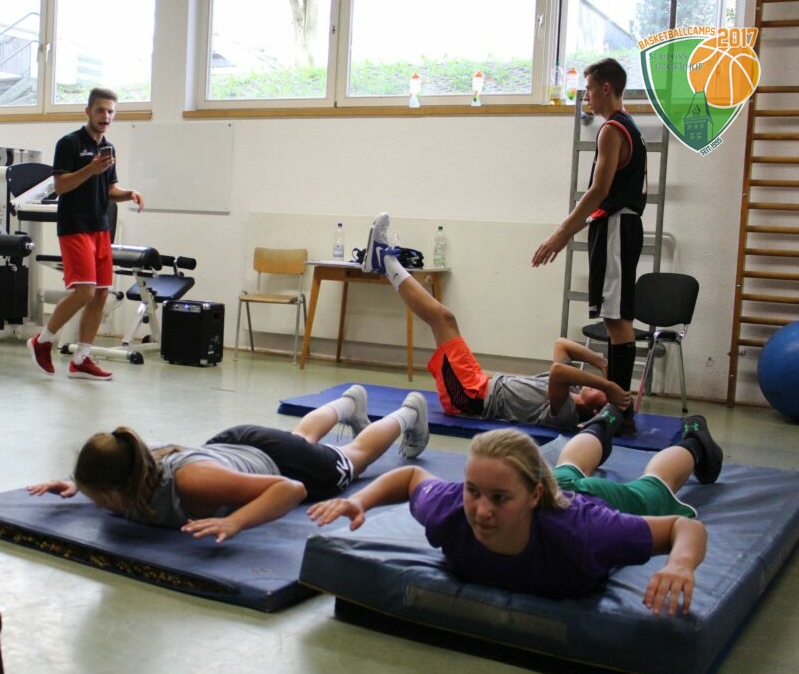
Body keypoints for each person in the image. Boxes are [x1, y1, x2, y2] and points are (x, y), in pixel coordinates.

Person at [308, 408, 723, 614]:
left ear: (533, 496)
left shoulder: (586, 532)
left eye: (499, 499)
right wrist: (359, 500)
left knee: (653, 485)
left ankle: (694, 441)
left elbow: (683, 527)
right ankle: (603, 421)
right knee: (565, 468)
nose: (481, 511)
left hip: (589, 498)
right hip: (548, 483)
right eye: (473, 491)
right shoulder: (453, 510)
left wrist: (680, 564)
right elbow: (411, 477)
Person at [28, 385, 429, 542]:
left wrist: (236, 521)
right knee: (302, 439)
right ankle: (348, 403)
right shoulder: (132, 458)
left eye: (99, 498)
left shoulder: (191, 483)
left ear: (122, 487)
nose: (97, 505)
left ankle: (410, 413)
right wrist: (77, 485)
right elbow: (114, 468)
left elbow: (291, 489)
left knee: (350, 460)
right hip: (233, 448)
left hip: (272, 461)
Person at [361, 212, 630, 431]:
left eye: (605, 396)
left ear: (596, 409)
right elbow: (562, 345)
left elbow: (559, 372)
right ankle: (383, 261)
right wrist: (603, 364)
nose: (602, 386)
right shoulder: (573, 387)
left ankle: (385, 261)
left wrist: (608, 386)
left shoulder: (566, 414)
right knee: (444, 318)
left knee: (443, 319)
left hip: (470, 398)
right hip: (477, 384)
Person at [530, 58, 648, 413]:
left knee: (616, 319)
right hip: (621, 226)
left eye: (590, 90)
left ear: (606, 88)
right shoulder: (630, 126)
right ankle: (618, 406)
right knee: (615, 317)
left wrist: (561, 234)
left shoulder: (612, 129)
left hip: (616, 227)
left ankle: (619, 410)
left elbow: (599, 191)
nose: (587, 98)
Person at [27, 87, 145, 381]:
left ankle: (81, 359)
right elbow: (61, 186)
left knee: (101, 293)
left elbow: (109, 189)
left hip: (100, 227)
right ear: (88, 111)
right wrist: (90, 169)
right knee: (85, 291)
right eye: (101, 110)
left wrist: (128, 193)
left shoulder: (108, 148)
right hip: (75, 226)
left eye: (111, 111)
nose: (106, 116)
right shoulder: (69, 143)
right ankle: (42, 341)